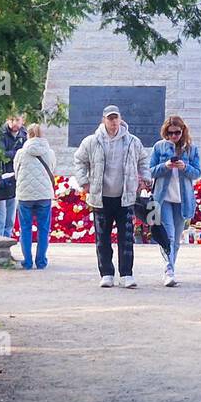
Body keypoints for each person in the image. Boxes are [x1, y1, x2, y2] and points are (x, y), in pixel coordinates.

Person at [74, 105, 150, 289]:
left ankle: (126, 274)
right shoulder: (91, 141)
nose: (113, 121)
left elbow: (143, 160)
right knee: (103, 237)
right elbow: (79, 160)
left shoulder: (132, 141)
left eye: (116, 118)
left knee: (126, 237)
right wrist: (84, 182)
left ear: (120, 119)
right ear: (103, 120)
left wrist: (145, 178)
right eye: (110, 118)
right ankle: (106, 273)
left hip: (125, 197)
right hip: (101, 197)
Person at [147, 115, 201, 287]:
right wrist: (165, 166)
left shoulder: (191, 149)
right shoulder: (159, 147)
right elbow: (150, 171)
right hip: (163, 198)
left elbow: (198, 173)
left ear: (183, 131)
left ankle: (171, 267)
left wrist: (185, 167)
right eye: (170, 133)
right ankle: (168, 270)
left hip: (183, 198)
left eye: (177, 133)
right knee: (168, 235)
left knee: (177, 238)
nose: (173, 136)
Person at [13, 123, 56, 270]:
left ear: (28, 135)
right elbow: (52, 169)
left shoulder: (21, 153)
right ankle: (41, 261)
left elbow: (16, 173)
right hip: (44, 195)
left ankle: (28, 261)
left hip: (25, 196)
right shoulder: (49, 152)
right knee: (43, 229)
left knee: (25, 228)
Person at [0, 114, 26, 237]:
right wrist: (16, 154)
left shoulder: (24, 135)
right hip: (0, 178)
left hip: (14, 179)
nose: (14, 123)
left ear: (23, 120)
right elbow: (0, 155)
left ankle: (6, 243)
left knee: (10, 217)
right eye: (12, 120)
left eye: (17, 120)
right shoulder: (0, 134)